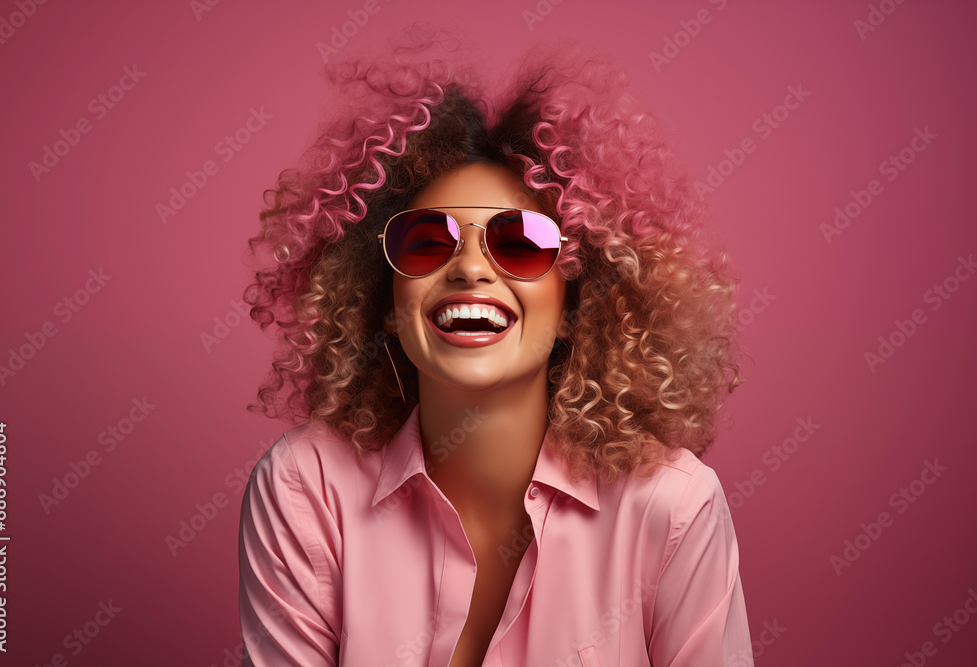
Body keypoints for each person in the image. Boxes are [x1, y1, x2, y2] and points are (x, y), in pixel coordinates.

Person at [238, 25, 752, 667]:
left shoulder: (671, 508)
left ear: (572, 308)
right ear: (386, 307)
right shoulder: (305, 488)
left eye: (519, 244)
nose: (470, 269)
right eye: (427, 242)